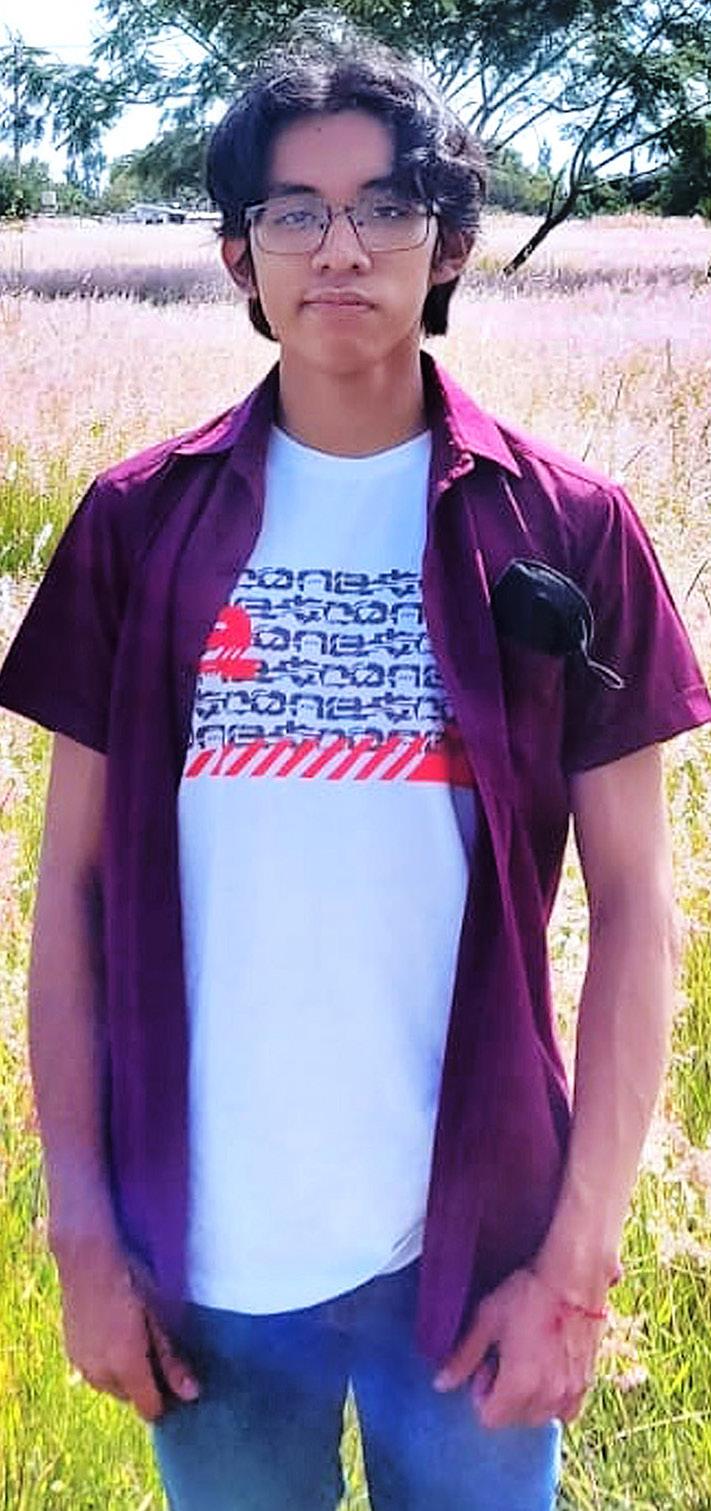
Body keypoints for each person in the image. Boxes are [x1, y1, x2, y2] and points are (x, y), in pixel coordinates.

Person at [1, 14, 709, 1511]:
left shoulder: (567, 527)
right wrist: (83, 1238)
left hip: (476, 1253)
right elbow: (68, 893)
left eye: (386, 206)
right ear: (236, 255)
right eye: (295, 212)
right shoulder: (137, 527)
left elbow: (642, 910)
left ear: (448, 242)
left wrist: (576, 1263)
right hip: (202, 1261)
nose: (340, 249)